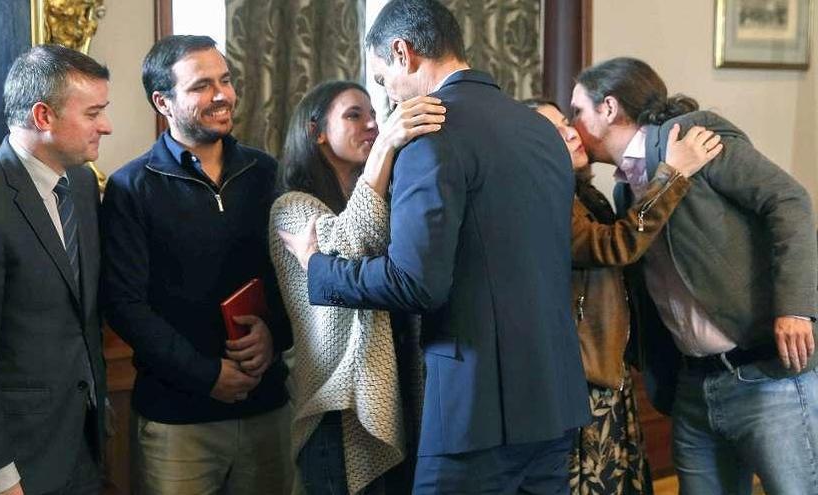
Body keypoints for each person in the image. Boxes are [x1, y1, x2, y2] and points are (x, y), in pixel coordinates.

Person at [279, 1, 591, 492]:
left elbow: (416, 283)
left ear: (402, 53)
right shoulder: (542, 132)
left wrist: (320, 268)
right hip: (556, 398)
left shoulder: (429, 133)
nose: (387, 100)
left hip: (478, 409)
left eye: (383, 82)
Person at [571, 56, 818, 495]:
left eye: (578, 111)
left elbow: (789, 201)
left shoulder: (692, 135)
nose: (573, 125)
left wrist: (797, 308)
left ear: (608, 109)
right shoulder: (627, 190)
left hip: (765, 378)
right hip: (693, 388)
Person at [100, 35, 292, 495]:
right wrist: (207, 377)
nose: (222, 94)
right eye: (202, 86)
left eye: (225, 80)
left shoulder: (266, 172)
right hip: (177, 419)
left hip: (266, 406)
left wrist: (274, 334)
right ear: (162, 102)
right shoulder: (132, 186)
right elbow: (124, 305)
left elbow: (295, 277)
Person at [0, 44, 111, 495]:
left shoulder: (81, 182)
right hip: (18, 463)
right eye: (93, 113)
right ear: (43, 117)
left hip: (83, 444)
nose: (106, 126)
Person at [525, 99, 721, 494]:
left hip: (606, 371)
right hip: (581, 379)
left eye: (566, 121)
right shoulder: (542, 199)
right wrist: (673, 175)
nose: (569, 132)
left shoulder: (584, 192)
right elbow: (613, 245)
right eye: (552, 132)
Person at [270, 81, 444, 494]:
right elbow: (347, 252)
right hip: (338, 405)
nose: (371, 124)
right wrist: (385, 149)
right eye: (354, 115)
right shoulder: (292, 205)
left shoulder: (374, 194)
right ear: (317, 131)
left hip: (394, 387)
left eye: (373, 115)